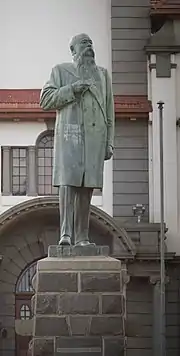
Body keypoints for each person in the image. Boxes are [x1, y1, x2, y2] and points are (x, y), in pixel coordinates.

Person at [40, 33, 114, 246]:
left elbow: (110, 113)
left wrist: (109, 142)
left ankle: (82, 237)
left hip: (94, 140)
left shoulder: (103, 75)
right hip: (70, 136)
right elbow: (45, 100)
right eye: (84, 43)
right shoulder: (61, 71)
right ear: (73, 51)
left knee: (86, 188)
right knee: (68, 185)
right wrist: (71, 90)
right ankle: (66, 234)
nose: (89, 47)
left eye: (91, 43)